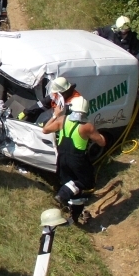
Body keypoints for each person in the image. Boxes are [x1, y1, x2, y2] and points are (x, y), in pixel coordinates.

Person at [42, 96, 106, 224]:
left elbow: (45, 129)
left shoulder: (62, 119)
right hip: (77, 160)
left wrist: (55, 115)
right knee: (87, 183)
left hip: (62, 158)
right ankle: (63, 194)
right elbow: (102, 142)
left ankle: (74, 216)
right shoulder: (86, 127)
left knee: (74, 189)